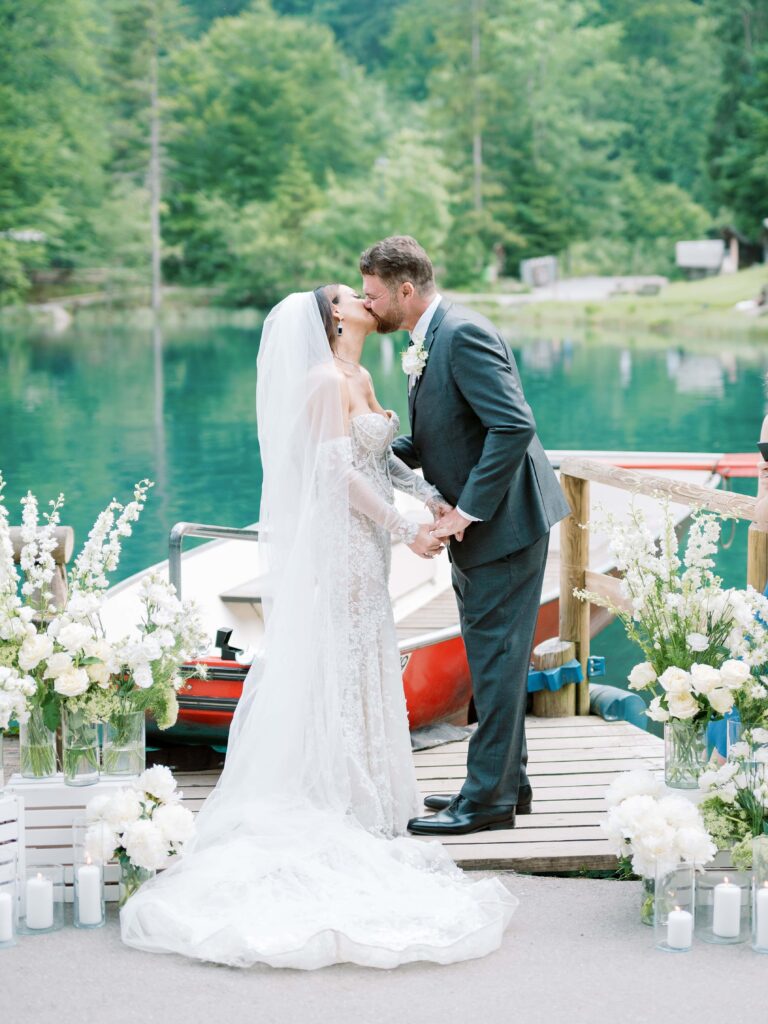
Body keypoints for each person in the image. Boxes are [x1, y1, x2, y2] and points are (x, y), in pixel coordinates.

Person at [119, 286, 517, 969]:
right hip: (342, 539)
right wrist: (403, 528)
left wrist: (428, 497)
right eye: (348, 294)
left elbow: (379, 459)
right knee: (345, 647)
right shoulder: (321, 380)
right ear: (333, 318)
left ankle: (368, 790)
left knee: (366, 650)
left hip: (367, 542)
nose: (362, 296)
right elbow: (335, 474)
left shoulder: (360, 375)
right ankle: (335, 791)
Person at [360, 236, 570, 837]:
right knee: (495, 661)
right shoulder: (432, 335)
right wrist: (366, 454)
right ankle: (509, 783)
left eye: (374, 296)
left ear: (406, 289)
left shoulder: (461, 333)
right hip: (494, 526)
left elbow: (513, 425)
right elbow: (447, 434)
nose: (368, 307)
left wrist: (465, 513)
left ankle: (486, 803)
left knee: (497, 664)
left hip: (502, 525)